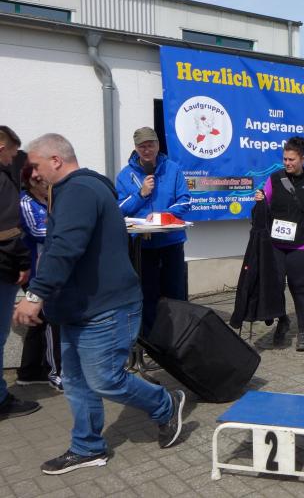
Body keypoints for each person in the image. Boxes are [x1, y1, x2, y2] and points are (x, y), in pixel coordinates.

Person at [13, 133, 185, 475]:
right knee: (76, 382)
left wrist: (35, 295)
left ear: (56, 160)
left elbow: (64, 248)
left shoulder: (78, 190)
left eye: (35, 165)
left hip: (106, 308)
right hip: (77, 307)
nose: (33, 173)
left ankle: (165, 403)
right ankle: (87, 447)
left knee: (105, 380)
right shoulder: (75, 189)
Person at [254, 136, 304, 351]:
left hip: (303, 244)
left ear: (303, 159)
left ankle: (303, 332)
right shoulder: (274, 178)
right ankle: (282, 321)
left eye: (291, 159)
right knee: (275, 285)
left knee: (298, 286)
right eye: (285, 159)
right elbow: (265, 201)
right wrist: (260, 198)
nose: (287, 163)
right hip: (276, 244)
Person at [116, 127, 191, 337]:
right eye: (142, 147)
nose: (147, 150)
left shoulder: (173, 169)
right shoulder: (125, 175)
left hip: (171, 242)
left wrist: (162, 216)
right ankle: (150, 339)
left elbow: (185, 201)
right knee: (147, 294)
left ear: (158, 145)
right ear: (136, 148)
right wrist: (141, 194)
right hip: (143, 246)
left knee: (175, 293)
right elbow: (118, 209)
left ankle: (177, 338)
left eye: (150, 145)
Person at [0, 125, 39, 420]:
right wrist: (24, 263)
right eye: (13, 153)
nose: (14, 158)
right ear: (2, 147)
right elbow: (10, 231)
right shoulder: (2, 181)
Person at [16, 163, 62, 391]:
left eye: (44, 177)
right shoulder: (25, 202)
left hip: (48, 270)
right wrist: (63, 230)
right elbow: (37, 232)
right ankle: (56, 373)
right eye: (37, 179)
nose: (44, 182)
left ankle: (30, 371)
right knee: (51, 321)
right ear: (29, 182)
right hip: (36, 272)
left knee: (39, 321)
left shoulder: (49, 200)